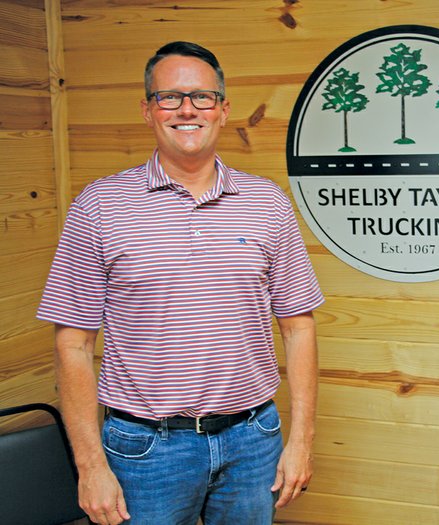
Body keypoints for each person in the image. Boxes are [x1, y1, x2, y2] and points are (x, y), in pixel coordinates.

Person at [37, 41, 324, 525]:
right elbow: (74, 343)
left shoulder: (267, 203)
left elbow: (300, 329)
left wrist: (301, 441)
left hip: (253, 441)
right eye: (169, 97)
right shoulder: (99, 206)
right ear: (148, 109)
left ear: (223, 109)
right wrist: (89, 467)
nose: (186, 108)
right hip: (146, 450)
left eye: (202, 97)